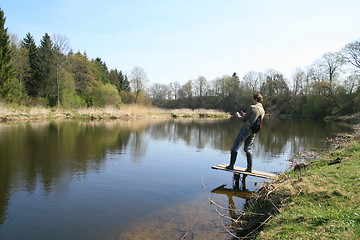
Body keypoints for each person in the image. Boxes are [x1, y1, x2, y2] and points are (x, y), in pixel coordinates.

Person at [226, 93, 265, 172]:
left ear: (256, 99)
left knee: (235, 147)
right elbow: (255, 119)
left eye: (253, 99)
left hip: (246, 129)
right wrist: (246, 115)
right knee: (248, 149)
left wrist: (237, 115)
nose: (252, 100)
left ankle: (231, 166)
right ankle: (249, 168)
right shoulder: (262, 110)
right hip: (253, 131)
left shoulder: (252, 107)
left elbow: (242, 119)